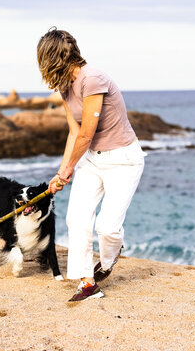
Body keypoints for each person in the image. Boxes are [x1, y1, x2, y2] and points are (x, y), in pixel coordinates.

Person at [37, 27, 146, 301]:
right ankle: (87, 283)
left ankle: (108, 261)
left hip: (123, 159)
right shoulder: (65, 86)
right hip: (91, 160)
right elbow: (74, 133)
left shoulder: (92, 79)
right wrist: (61, 171)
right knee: (77, 219)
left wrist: (66, 170)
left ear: (53, 58)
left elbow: (87, 132)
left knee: (107, 228)